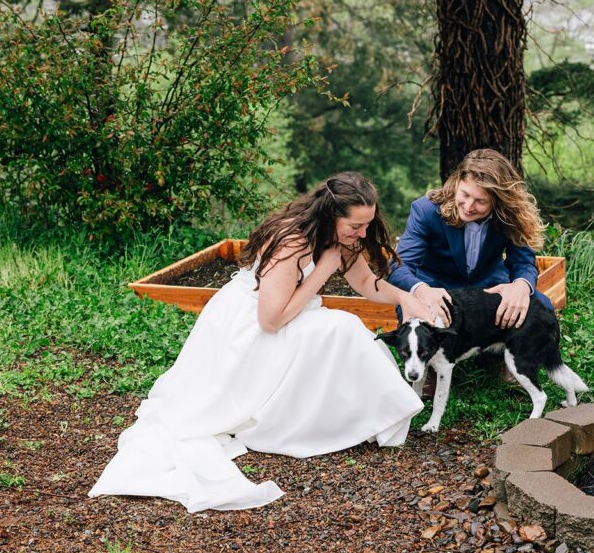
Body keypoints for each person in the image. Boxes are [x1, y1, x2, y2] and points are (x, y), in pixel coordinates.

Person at [89, 172, 432, 512]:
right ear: (331, 215)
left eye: (368, 225)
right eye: (355, 226)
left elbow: (368, 285)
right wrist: (323, 270)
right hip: (248, 328)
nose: (363, 234)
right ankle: (310, 424)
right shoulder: (291, 242)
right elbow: (271, 321)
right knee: (342, 327)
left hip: (289, 316)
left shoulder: (345, 238)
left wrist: (407, 299)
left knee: (343, 328)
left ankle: (362, 419)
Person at [389, 148, 552, 332]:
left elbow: (523, 262)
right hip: (437, 290)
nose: (468, 207)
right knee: (420, 327)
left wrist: (521, 286)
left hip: (488, 289)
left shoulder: (510, 216)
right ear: (457, 182)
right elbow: (398, 266)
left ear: (498, 200)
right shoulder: (425, 210)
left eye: (480, 201)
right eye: (465, 194)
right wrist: (421, 290)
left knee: (543, 309)